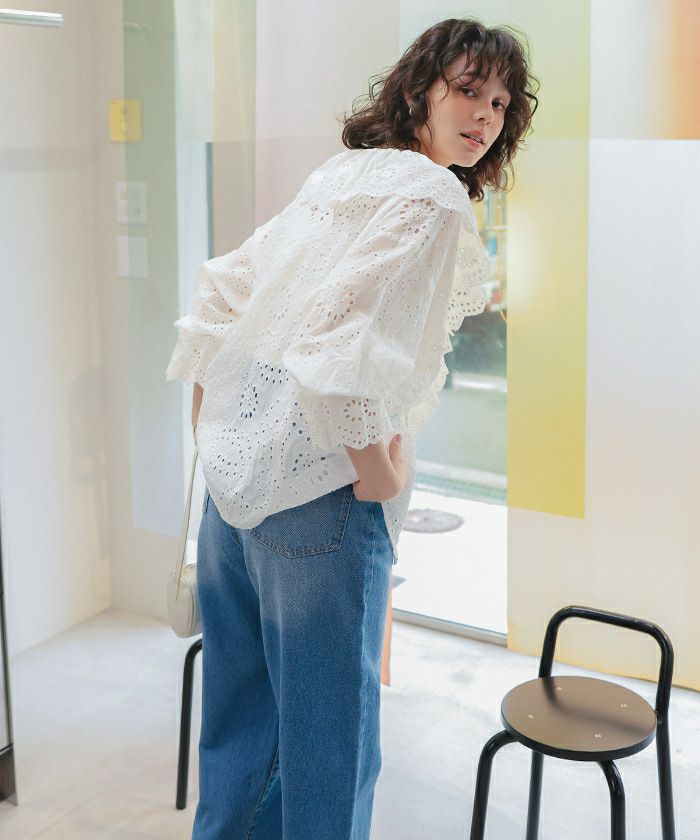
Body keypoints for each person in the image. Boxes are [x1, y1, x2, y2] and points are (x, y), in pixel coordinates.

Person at [166, 16, 538, 840]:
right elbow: (336, 342)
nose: (486, 115)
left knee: (239, 739)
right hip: (319, 503)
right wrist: (379, 471)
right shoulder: (433, 196)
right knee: (330, 761)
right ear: (421, 90)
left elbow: (223, 288)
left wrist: (211, 421)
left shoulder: (344, 173)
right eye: (468, 90)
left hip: (234, 496)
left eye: (501, 103)